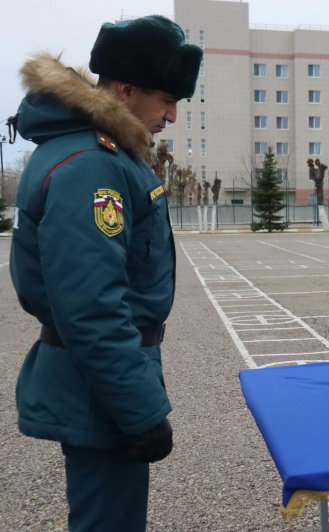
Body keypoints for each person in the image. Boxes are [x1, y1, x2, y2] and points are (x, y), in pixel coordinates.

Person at [8, 16, 202, 532]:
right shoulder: (92, 164)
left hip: (99, 379)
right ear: (126, 90)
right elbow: (91, 308)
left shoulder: (96, 151)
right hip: (99, 386)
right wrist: (140, 411)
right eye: (166, 100)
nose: (171, 116)